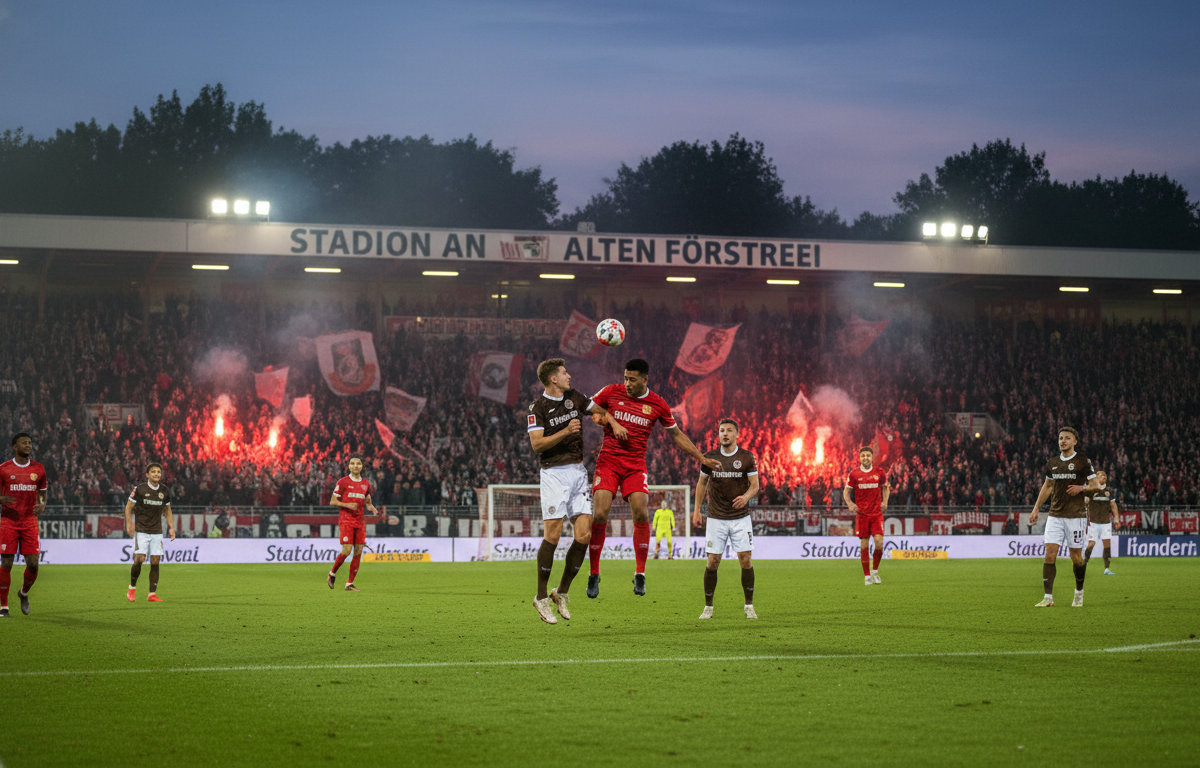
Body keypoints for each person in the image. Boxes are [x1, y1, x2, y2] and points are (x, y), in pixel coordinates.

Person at [587, 359, 721, 598]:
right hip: (608, 462)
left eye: (632, 379)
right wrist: (609, 420)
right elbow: (589, 407)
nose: (627, 383)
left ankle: (640, 573)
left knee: (640, 512)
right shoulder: (611, 391)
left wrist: (701, 457)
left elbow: (677, 435)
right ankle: (594, 573)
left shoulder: (657, 403)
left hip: (635, 465)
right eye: (626, 378)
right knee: (600, 514)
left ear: (645, 379)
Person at [526, 358, 608, 624]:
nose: (569, 375)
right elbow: (537, 445)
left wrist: (605, 417)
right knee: (553, 534)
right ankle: (540, 597)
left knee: (584, 534)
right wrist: (565, 431)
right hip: (553, 474)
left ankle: (560, 592)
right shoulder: (537, 408)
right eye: (564, 373)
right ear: (553, 379)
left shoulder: (574, 397)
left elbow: (598, 409)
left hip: (577, 472)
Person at [693, 419, 760, 619]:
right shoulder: (710, 457)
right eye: (722, 430)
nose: (725, 434)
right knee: (713, 561)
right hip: (716, 517)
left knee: (745, 559)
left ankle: (749, 606)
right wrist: (697, 510)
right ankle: (708, 607)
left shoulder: (746, 457)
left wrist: (746, 497)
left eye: (729, 430)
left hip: (740, 517)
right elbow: (701, 484)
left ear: (737, 434)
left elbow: (755, 485)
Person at [1029, 427, 1100, 607]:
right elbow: (1048, 487)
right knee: (1049, 554)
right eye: (1061, 438)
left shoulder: (1083, 461)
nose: (1063, 441)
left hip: (1076, 516)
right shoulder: (1052, 462)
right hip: (1055, 515)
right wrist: (1036, 508)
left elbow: (1096, 486)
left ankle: (1079, 592)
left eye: (1067, 438)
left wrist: (1082, 488)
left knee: (1076, 557)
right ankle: (1048, 598)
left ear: (1075, 441)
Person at [0, 433, 47, 617]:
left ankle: (23, 592)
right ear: (15, 446)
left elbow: (42, 492)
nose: (28, 445)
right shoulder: (3, 469)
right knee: (6, 563)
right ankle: (3, 606)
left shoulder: (39, 469)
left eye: (29, 442)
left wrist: (42, 504)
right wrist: (2, 499)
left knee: (33, 565)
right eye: (24, 443)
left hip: (29, 522)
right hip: (8, 521)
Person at [124, 462, 176, 602]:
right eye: (153, 472)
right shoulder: (140, 489)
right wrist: (129, 523)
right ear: (147, 474)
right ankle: (132, 588)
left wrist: (171, 527)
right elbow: (128, 507)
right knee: (140, 559)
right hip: (141, 530)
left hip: (157, 531)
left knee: (155, 561)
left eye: (158, 472)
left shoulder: (164, 491)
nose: (156, 474)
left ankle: (152, 594)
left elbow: (167, 510)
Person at [327, 456, 378, 592]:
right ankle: (332, 573)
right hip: (346, 520)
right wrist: (348, 505)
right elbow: (333, 501)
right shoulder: (343, 482)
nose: (356, 466)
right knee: (347, 550)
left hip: (360, 521)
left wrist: (371, 508)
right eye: (353, 463)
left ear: (361, 466)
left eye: (358, 463)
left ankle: (349, 583)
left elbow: (367, 501)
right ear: (349, 466)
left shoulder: (366, 484)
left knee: (358, 550)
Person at [845, 446, 889, 585]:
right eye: (863, 455)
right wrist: (850, 504)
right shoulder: (854, 474)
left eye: (868, 456)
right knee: (864, 544)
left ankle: (875, 571)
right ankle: (867, 576)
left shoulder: (879, 472)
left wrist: (885, 501)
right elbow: (846, 491)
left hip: (876, 514)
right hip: (862, 515)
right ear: (860, 457)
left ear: (872, 457)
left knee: (879, 543)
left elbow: (885, 487)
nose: (865, 458)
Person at [1084, 470, 1120, 575]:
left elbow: (1113, 505)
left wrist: (1116, 518)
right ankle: (1083, 565)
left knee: (1107, 544)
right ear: (1096, 478)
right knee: (1091, 544)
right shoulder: (1091, 490)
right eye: (1100, 475)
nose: (1103, 477)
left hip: (1105, 522)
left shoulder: (1109, 491)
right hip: (1093, 523)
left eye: (1104, 475)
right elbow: (1085, 503)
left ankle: (1107, 569)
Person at [652, 495, 676, 560]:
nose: (664, 505)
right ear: (661, 505)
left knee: (669, 542)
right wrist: (654, 526)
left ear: (666, 505)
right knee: (658, 541)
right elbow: (655, 519)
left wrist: (673, 526)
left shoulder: (669, 512)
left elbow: (672, 519)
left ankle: (670, 555)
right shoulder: (658, 511)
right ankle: (656, 553)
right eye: (663, 504)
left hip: (667, 529)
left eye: (665, 504)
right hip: (659, 529)